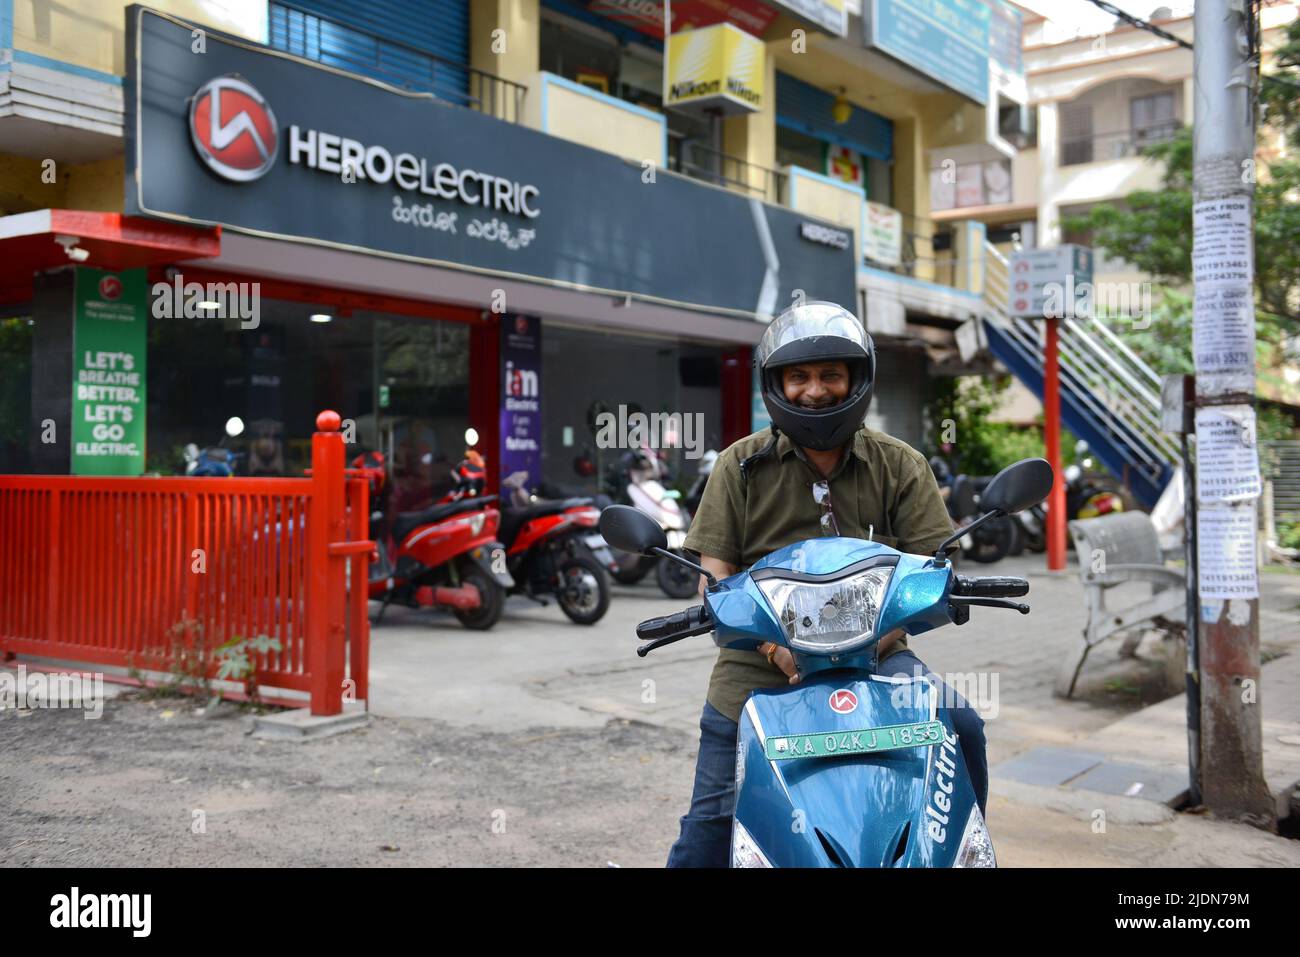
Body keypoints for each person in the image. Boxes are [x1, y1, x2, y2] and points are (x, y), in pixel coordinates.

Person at [668, 300, 989, 868]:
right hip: (757, 664)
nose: (814, 391)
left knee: (961, 724)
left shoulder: (900, 464)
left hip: (879, 656)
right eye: (799, 377)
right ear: (777, 384)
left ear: (856, 380)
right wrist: (773, 645)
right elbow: (712, 578)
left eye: (829, 375)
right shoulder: (739, 465)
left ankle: (955, 853)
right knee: (710, 824)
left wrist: (881, 631)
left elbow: (931, 566)